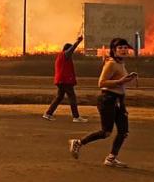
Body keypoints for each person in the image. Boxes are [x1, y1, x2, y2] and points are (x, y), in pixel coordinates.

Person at [69, 38, 138, 168]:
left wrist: (128, 79)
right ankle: (78, 142)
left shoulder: (121, 63)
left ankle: (111, 158)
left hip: (119, 100)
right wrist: (120, 81)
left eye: (125, 48)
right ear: (114, 50)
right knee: (106, 132)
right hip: (108, 99)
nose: (124, 50)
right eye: (120, 48)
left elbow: (120, 81)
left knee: (124, 131)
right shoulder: (111, 63)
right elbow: (101, 83)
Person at [43, 35, 88, 122]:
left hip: (60, 80)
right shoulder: (65, 55)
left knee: (59, 97)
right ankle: (76, 117)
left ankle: (48, 113)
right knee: (72, 98)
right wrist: (78, 41)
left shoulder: (60, 56)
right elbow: (72, 49)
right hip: (65, 80)